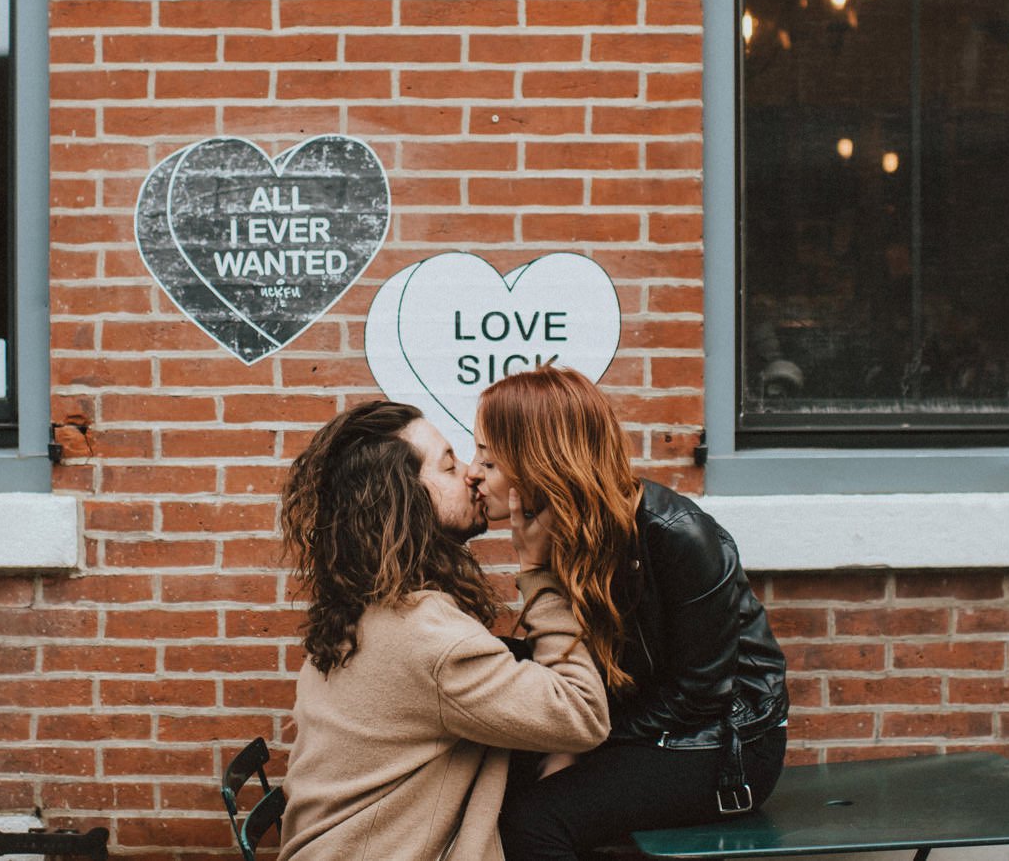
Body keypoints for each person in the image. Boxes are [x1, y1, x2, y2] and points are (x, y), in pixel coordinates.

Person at [470, 366, 790, 861]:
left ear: (536, 462)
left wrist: (578, 746)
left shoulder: (677, 534)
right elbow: (566, 664)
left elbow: (700, 694)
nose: (473, 472)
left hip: (725, 741)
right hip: (641, 718)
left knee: (535, 823)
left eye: (487, 462)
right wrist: (534, 567)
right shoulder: (559, 532)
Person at [275, 400, 611, 861]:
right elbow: (581, 713)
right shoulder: (427, 636)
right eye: (451, 466)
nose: (473, 475)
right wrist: (538, 571)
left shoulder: (365, 604)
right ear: (406, 498)